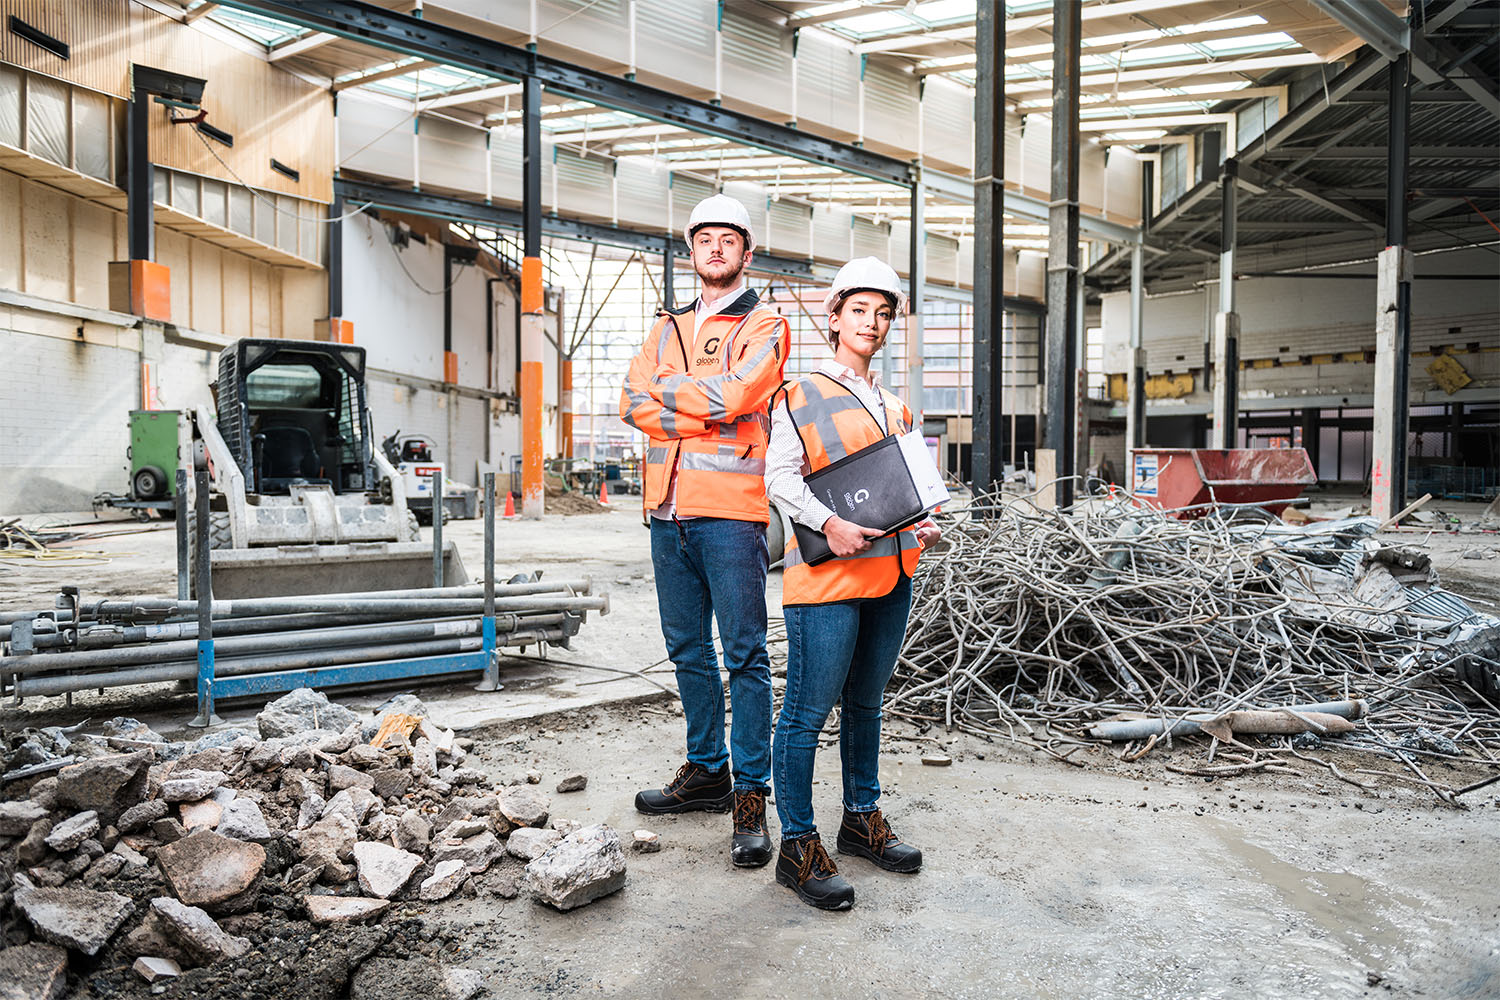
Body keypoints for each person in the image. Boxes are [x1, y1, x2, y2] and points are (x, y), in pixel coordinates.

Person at [619, 194, 791, 869]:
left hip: (731, 512)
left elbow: (741, 396)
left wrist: (675, 393)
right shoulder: (666, 327)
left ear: (746, 253)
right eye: (704, 239)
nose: (716, 248)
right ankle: (706, 771)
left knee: (744, 656)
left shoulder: (767, 323)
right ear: (691, 251)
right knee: (688, 651)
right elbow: (633, 401)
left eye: (729, 239)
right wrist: (697, 402)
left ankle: (751, 796)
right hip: (666, 513)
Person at [765, 256, 939, 910]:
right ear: (834, 319)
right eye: (859, 311)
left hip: (892, 572)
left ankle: (861, 820)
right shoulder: (801, 391)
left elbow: (912, 492)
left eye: (883, 313)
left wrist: (925, 525)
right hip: (830, 578)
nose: (871, 322)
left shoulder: (894, 405)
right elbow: (778, 478)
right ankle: (798, 847)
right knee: (807, 714)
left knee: (866, 704)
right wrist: (828, 522)